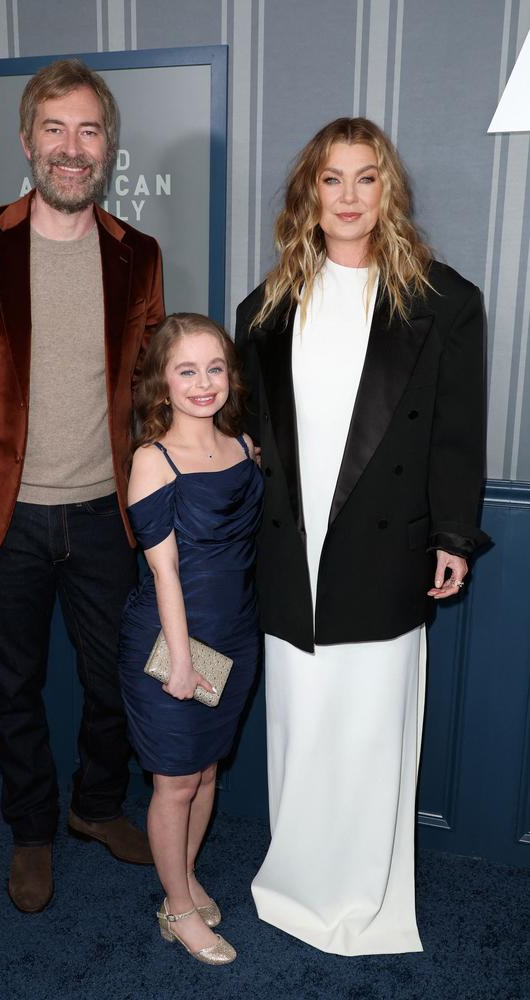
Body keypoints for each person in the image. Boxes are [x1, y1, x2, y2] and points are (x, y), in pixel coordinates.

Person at [235, 117, 489, 956]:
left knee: (372, 729)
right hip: (290, 548)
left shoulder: (445, 303)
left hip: (385, 547)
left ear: (390, 192)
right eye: (331, 178)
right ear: (310, 192)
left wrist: (453, 534)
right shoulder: (264, 309)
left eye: (366, 178)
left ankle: (367, 898)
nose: (348, 196)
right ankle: (298, 879)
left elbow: (456, 435)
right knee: (303, 729)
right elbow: (249, 436)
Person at [0, 59, 164, 914]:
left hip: (108, 518)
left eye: (89, 130)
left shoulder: (140, 256)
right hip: (3, 516)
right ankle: (31, 830)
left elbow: (152, 395)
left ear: (108, 147)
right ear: (27, 141)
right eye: (55, 129)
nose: (71, 147)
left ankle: (96, 807)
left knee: (116, 684)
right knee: (13, 686)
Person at [118, 313, 263, 964]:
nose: (204, 383)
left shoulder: (242, 447)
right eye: (186, 370)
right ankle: (176, 907)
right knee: (174, 781)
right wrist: (179, 661)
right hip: (170, 637)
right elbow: (165, 570)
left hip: (233, 632)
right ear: (161, 382)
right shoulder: (154, 458)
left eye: (215, 368)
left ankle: (186, 875)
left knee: (205, 772)